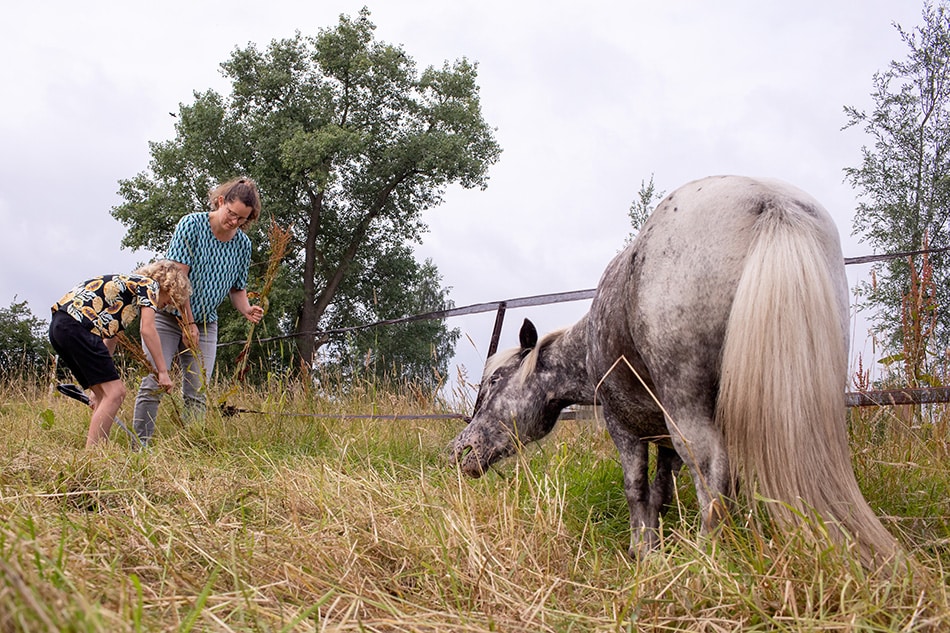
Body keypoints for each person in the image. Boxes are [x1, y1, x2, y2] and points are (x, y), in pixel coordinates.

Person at [132, 177, 264, 445]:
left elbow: (237, 288)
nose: (234, 222)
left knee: (197, 390)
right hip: (168, 317)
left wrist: (246, 309)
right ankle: (139, 447)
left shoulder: (242, 245)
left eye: (242, 219)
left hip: (206, 323)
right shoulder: (191, 225)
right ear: (220, 202)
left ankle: (192, 447)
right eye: (231, 213)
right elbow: (177, 281)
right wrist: (187, 324)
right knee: (156, 379)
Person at [48, 261, 193, 448]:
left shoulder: (126, 295)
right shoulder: (149, 285)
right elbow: (148, 330)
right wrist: (163, 371)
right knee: (116, 393)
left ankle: (99, 453)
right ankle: (93, 458)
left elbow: (110, 340)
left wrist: (97, 387)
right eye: (169, 300)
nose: (166, 306)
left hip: (61, 327)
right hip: (76, 326)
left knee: (104, 396)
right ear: (167, 285)